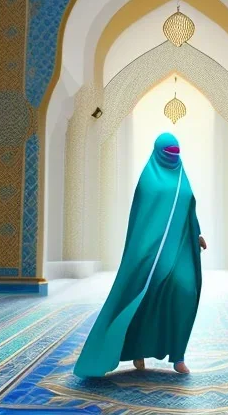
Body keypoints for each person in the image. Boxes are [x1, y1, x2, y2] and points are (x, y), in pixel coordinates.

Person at [74, 133, 207, 378]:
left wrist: (197, 234)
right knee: (144, 295)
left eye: (176, 151)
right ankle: (138, 349)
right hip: (149, 252)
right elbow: (141, 219)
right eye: (168, 151)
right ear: (158, 151)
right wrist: (143, 248)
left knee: (185, 291)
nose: (173, 155)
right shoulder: (148, 179)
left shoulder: (182, 177)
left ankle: (178, 355)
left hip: (180, 249)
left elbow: (189, 208)